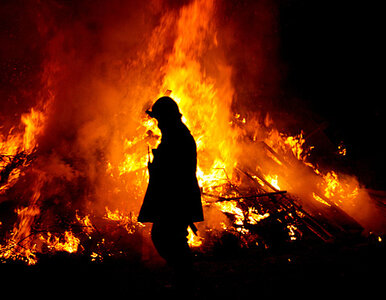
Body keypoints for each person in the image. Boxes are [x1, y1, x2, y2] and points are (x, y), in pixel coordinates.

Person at [138, 96, 204, 290]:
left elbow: (175, 170)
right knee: (170, 238)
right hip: (175, 197)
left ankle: (186, 282)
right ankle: (185, 280)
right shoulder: (175, 134)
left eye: (159, 119)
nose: (158, 125)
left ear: (167, 117)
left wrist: (157, 165)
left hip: (176, 198)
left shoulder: (178, 137)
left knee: (166, 238)